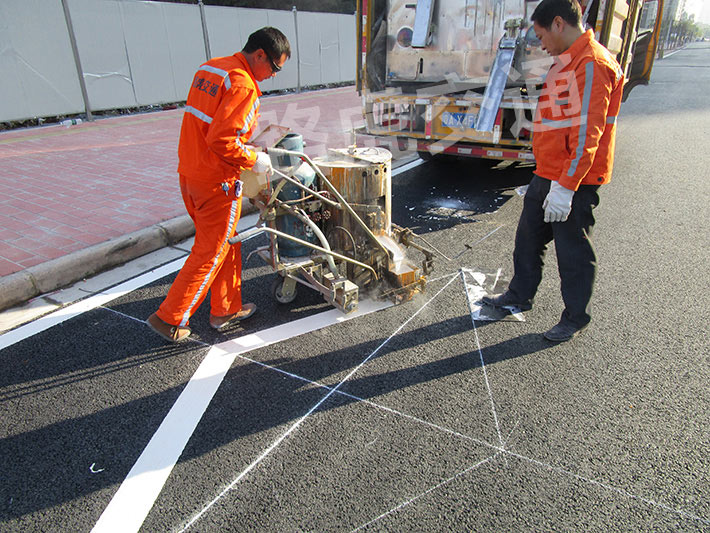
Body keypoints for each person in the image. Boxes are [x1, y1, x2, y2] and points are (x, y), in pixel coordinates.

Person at [483, 0, 624, 342]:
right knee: (528, 240)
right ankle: (519, 295)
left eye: (542, 35)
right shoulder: (566, 61)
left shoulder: (591, 65)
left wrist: (566, 186)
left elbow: (587, 134)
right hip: (548, 172)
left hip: (574, 179)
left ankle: (575, 318)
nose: (540, 44)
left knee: (572, 250)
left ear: (559, 23)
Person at [147, 27, 291, 342]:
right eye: (274, 68)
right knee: (209, 252)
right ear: (260, 55)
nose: (273, 75)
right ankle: (170, 318)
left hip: (190, 173)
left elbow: (210, 126)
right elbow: (223, 140)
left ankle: (225, 308)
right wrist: (253, 159)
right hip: (217, 182)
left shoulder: (212, 68)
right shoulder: (243, 86)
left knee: (227, 241)